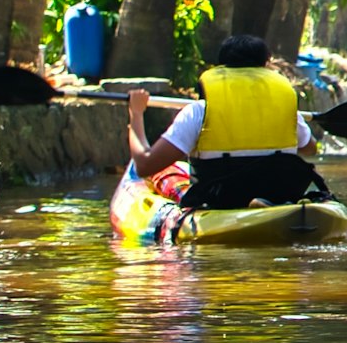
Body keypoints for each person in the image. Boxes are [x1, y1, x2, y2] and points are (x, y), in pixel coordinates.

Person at [130, 31, 334, 210]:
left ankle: (252, 203)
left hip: (223, 197)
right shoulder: (287, 109)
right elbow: (310, 149)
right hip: (280, 194)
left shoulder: (199, 111)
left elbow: (145, 165)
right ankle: (263, 202)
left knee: (166, 170)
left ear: (222, 67)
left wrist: (136, 114)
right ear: (265, 66)